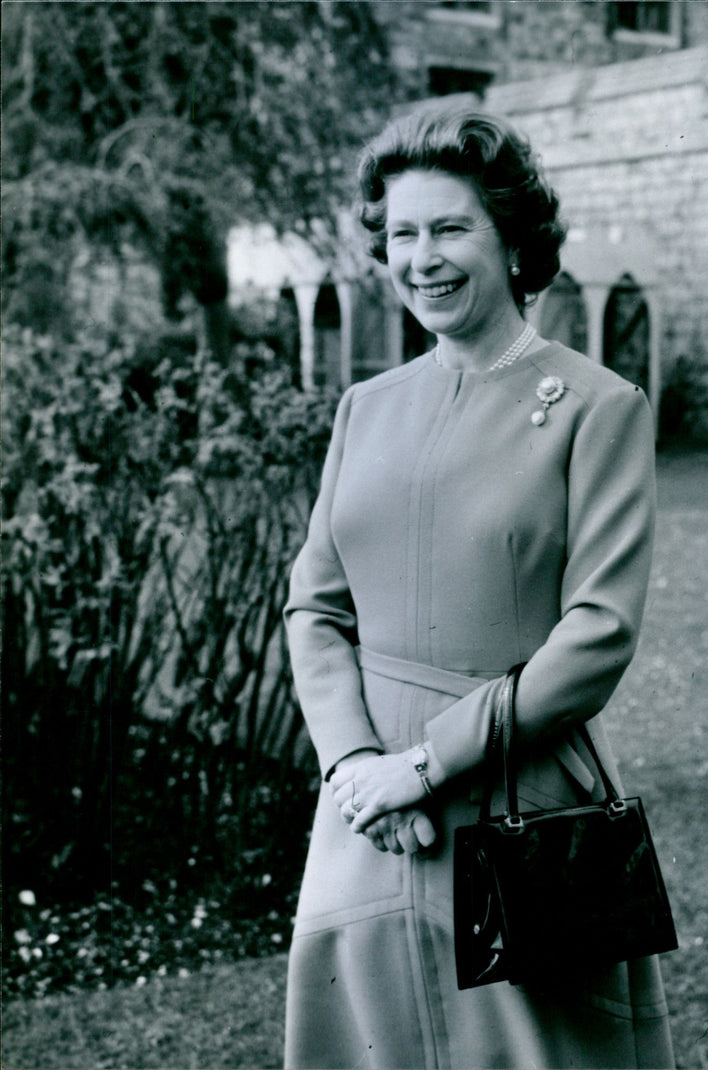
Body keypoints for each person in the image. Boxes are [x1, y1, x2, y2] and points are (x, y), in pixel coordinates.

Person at [283, 107, 674, 1070]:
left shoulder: (599, 407)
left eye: (450, 228)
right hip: (366, 818)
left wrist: (425, 765)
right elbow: (315, 608)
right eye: (403, 234)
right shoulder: (363, 410)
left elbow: (598, 634)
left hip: (521, 806)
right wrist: (352, 769)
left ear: (510, 239)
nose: (423, 258)